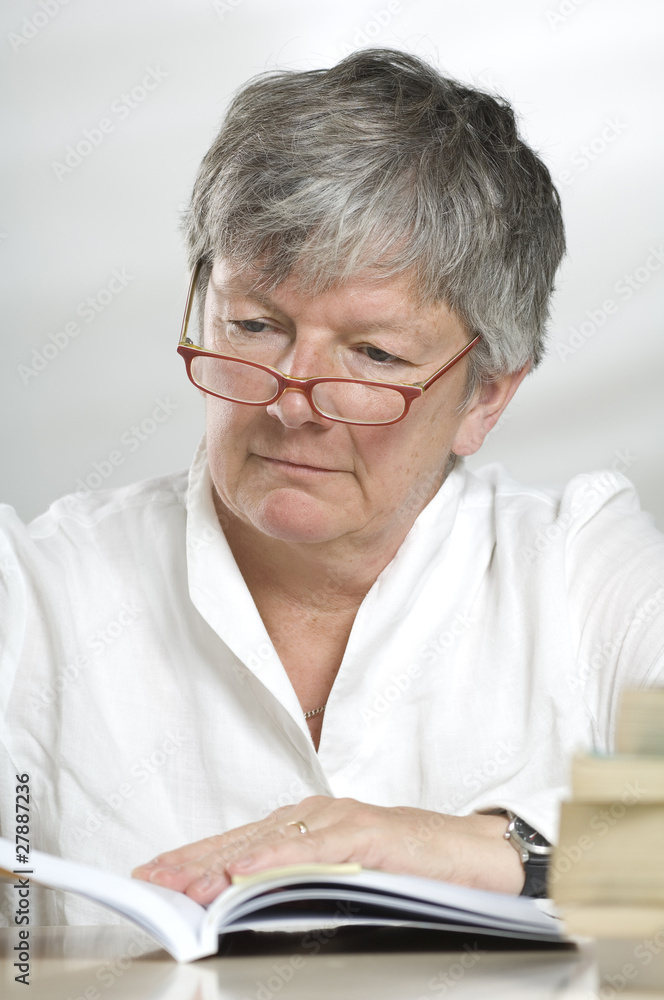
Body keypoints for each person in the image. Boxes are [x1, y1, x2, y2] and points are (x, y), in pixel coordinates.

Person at [1, 49, 663, 926]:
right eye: (254, 325)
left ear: (487, 395)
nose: (290, 399)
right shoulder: (36, 588)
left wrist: (484, 848)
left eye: (375, 355)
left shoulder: (579, 568)